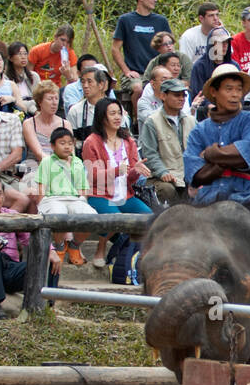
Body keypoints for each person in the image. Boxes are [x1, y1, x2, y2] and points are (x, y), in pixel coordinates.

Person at [183, 64, 250, 229]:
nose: (235, 95)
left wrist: (211, 155)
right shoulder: (199, 130)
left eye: (239, 89)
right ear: (214, 92)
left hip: (246, 194)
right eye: (229, 89)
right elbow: (195, 175)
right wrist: (230, 159)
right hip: (208, 195)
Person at [0, 176, 59, 318]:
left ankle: (47, 306)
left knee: (48, 260)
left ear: (4, 196)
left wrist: (50, 251)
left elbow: (30, 237)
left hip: (11, 270)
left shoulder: (13, 216)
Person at [82, 97, 153, 266]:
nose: (117, 117)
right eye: (112, 113)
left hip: (125, 195)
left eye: (119, 113)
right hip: (100, 195)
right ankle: (100, 250)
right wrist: (116, 171)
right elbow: (92, 176)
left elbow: (130, 177)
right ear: (101, 117)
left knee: (150, 218)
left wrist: (136, 171)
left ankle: (138, 255)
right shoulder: (91, 141)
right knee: (116, 218)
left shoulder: (129, 141)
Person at [33, 126, 96, 266]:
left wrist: (83, 203)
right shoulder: (46, 162)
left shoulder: (78, 162)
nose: (67, 146)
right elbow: (41, 188)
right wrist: (40, 205)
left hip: (74, 199)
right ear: (52, 146)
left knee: (91, 217)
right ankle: (60, 246)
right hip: (52, 199)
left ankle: (74, 246)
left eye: (70, 143)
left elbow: (83, 189)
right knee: (58, 213)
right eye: (62, 143)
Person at [139, 78, 195, 206]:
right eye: (176, 95)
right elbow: (150, 154)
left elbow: (198, 150)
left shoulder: (191, 121)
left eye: (183, 95)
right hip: (161, 177)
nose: (181, 98)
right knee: (167, 190)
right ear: (163, 96)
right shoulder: (152, 122)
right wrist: (162, 172)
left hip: (188, 174)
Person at [112, 0, 171, 94]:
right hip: (135, 74)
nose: (155, 0)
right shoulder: (125, 20)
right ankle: (137, 111)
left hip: (157, 73)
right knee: (138, 88)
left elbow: (169, 48)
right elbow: (115, 49)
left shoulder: (161, 21)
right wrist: (126, 71)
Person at [21, 81, 69, 173]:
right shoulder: (29, 124)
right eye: (50, 99)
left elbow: (70, 154)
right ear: (40, 102)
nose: (54, 103)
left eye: (56, 98)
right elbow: (39, 154)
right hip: (36, 168)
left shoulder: (65, 124)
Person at [68, 66, 129, 138]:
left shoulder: (115, 109)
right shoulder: (75, 111)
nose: (85, 86)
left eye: (89, 81)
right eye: (83, 82)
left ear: (101, 85)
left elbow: (124, 136)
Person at [188, 27, 236, 103]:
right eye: (220, 42)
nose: (224, 45)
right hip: (208, 108)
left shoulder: (233, 66)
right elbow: (197, 95)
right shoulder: (200, 67)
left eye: (226, 42)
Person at [6, 43, 39, 115]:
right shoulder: (6, 79)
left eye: (25, 54)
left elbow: (39, 98)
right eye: (19, 54)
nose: (23, 57)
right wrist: (33, 109)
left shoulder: (34, 76)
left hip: (36, 109)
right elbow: (13, 102)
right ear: (10, 58)